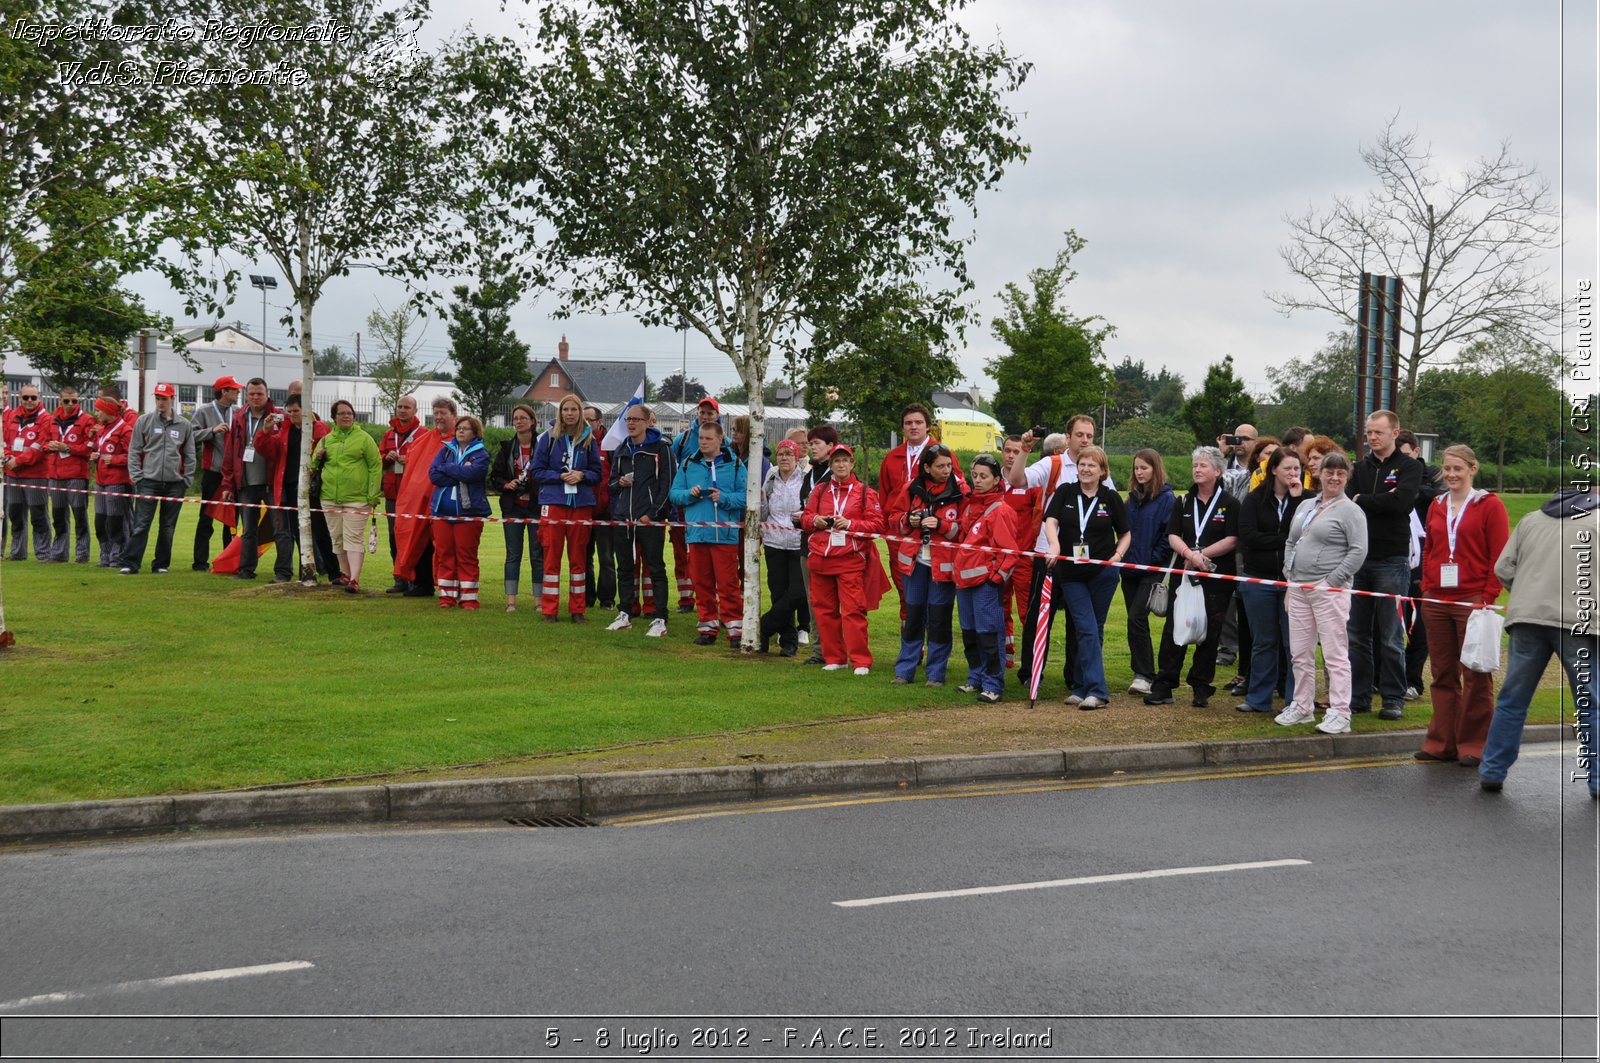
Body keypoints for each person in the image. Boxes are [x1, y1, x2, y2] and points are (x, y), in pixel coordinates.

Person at [1478, 488, 1599, 797]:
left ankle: (1492, 769)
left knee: (1512, 699)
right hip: (1578, 623)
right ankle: (1598, 779)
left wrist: (1525, 592)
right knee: (1590, 704)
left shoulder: (1532, 520)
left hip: (1528, 617)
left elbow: (1503, 568)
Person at [1414, 445, 1509, 765]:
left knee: (1476, 674)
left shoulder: (1489, 505)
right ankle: (1442, 742)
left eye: (1458, 468)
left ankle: (1474, 744)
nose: (1451, 474)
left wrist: (1487, 597)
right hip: (1437, 600)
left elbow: (1500, 556)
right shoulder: (1437, 504)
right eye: (1447, 469)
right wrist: (1427, 587)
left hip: (1472, 601)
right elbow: (1430, 548)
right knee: (1442, 674)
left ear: (1472, 469)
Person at [1276, 451, 1368, 733]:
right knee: (1300, 652)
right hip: (1299, 587)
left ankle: (1341, 711)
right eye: (1330, 472)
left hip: (1329, 590)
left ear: (1347, 476)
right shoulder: (1305, 505)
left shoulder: (1351, 510)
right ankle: (1302, 705)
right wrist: (1289, 572)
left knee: (1335, 654)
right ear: (1319, 474)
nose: (1335, 477)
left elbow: (1358, 550)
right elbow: (1291, 541)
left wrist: (1333, 581)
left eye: (1341, 473)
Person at [1008, 422, 1103, 692]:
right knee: (1040, 615)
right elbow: (1017, 480)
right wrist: (1025, 448)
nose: (1085, 440)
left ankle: (1074, 675)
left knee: (1078, 618)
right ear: (1068, 437)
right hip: (1046, 552)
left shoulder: (1098, 466)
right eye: (1080, 435)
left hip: (1081, 557)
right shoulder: (1053, 464)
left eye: (1090, 436)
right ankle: (1030, 671)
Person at [1144, 446, 1240, 708]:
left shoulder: (1230, 504)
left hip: (1216, 576)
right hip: (1185, 575)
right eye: (1195, 465)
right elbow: (1172, 534)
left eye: (1203, 466)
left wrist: (1200, 556)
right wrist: (1188, 553)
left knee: (1211, 631)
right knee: (1175, 627)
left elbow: (1232, 539)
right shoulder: (1183, 501)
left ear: (1218, 471)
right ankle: (1164, 684)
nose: (1197, 469)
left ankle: (1201, 686)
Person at [1347, 410, 1423, 719]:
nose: (1371, 438)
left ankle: (1393, 697)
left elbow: (1401, 502)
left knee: (1391, 635)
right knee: (1357, 634)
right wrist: (1376, 498)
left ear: (1395, 433)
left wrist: (1363, 500)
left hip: (1391, 561)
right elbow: (1346, 499)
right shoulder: (1359, 468)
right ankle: (1360, 696)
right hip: (1358, 559)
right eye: (1368, 433)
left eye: (1377, 432)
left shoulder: (1409, 467)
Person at [1042, 444, 1130, 709]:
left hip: (1103, 573)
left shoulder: (1110, 497)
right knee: (1086, 627)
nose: (1085, 469)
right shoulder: (1065, 492)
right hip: (1071, 573)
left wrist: (1117, 556)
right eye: (1082, 464)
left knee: (1093, 630)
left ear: (1102, 470)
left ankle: (1082, 687)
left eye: (1092, 465)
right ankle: (1097, 691)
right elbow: (1050, 521)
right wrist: (1054, 546)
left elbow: (1125, 533)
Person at [801, 444, 885, 674]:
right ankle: (835, 658)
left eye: (844, 460)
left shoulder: (866, 492)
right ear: (831, 464)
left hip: (849, 559)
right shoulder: (819, 491)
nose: (840, 464)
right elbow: (805, 518)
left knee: (853, 611)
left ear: (852, 463)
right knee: (824, 611)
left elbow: (878, 525)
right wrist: (815, 520)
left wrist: (850, 524)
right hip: (820, 558)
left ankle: (861, 661)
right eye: (836, 460)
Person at [1236, 448, 1307, 713]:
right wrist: (1286, 541)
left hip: (1294, 582)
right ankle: (1258, 699)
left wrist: (1298, 501)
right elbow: (1249, 538)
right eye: (1288, 468)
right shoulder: (1254, 500)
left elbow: (1305, 535)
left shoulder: (1306, 500)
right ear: (1274, 469)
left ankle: (1295, 700)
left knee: (1294, 644)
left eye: (1297, 469)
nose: (1293, 473)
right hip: (1259, 580)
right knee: (1263, 641)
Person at [879, 403, 965, 615]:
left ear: (928, 426)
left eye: (918, 422)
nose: (913, 427)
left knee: (934, 587)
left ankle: (929, 632)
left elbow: (958, 490)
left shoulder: (943, 453)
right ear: (902, 428)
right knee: (903, 586)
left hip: (934, 532)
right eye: (908, 423)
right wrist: (888, 530)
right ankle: (909, 634)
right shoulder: (892, 457)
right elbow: (884, 496)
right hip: (901, 531)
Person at [891, 442, 966, 686]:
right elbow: (893, 520)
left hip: (943, 568)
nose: (947, 470)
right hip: (915, 564)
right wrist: (908, 520)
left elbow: (966, 530)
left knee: (939, 619)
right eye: (941, 466)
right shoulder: (911, 489)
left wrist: (942, 526)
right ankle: (905, 671)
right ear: (927, 467)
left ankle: (936, 674)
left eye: (949, 466)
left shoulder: (961, 491)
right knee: (913, 617)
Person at [670, 420, 747, 646]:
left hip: (724, 536)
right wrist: (689, 494)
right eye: (701, 438)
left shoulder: (735, 465)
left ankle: (735, 631)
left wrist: (723, 498)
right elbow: (674, 494)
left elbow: (746, 497)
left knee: (728, 585)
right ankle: (707, 629)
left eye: (708, 439)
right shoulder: (687, 464)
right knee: (701, 584)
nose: (703, 442)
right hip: (696, 534)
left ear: (720, 440)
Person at [953, 454, 1021, 703]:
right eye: (975, 476)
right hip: (964, 582)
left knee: (989, 634)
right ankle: (975, 678)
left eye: (984, 476)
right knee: (970, 634)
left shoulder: (1000, 510)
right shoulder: (971, 505)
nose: (978, 481)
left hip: (984, 585)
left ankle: (993, 684)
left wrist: (995, 579)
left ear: (996, 479)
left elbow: (1010, 553)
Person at [533, 394, 603, 622]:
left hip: (581, 504)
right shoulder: (548, 438)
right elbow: (536, 471)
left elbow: (597, 474)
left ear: (580, 413)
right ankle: (549, 610)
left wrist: (582, 475)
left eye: (574, 409)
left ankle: (577, 610)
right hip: (554, 503)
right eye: (566, 410)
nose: (570, 413)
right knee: (551, 557)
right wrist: (560, 476)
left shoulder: (589, 439)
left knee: (579, 559)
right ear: (560, 413)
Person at [606, 402, 673, 637]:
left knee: (655, 568)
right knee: (624, 567)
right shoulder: (622, 448)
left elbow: (667, 485)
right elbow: (611, 484)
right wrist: (620, 483)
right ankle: (624, 613)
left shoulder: (661, 448)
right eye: (628, 420)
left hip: (649, 520)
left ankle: (660, 617)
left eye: (636, 419)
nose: (631, 423)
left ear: (648, 422)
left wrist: (652, 514)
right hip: (624, 519)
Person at [251, 395, 329, 582]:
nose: (292, 415)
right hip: (290, 487)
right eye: (290, 411)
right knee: (296, 530)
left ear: (306, 410)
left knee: (319, 531)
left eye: (296, 411)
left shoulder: (320, 429)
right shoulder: (285, 430)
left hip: (313, 489)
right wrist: (265, 431)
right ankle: (305, 570)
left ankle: (325, 568)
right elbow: (267, 450)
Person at [120, 383, 195, 575]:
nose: (161, 402)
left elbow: (189, 454)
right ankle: (131, 563)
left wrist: (186, 479)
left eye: (165, 398)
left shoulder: (184, 424)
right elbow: (134, 450)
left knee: (168, 527)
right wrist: (137, 477)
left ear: (172, 399)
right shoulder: (143, 422)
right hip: (148, 482)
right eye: (158, 398)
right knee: (141, 524)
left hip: (175, 484)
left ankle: (161, 564)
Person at [219, 379, 285, 582]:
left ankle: (283, 572)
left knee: (280, 529)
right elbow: (230, 452)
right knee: (248, 530)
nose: (256, 397)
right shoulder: (239, 416)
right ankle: (246, 570)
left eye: (259, 393)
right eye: (252, 393)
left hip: (272, 482)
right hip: (246, 482)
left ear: (267, 394)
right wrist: (228, 484)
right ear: (246, 395)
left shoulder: (278, 417)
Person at [314, 399, 383, 593]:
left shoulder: (364, 438)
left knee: (353, 537)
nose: (346, 416)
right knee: (337, 538)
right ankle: (346, 574)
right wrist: (317, 456)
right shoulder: (326, 440)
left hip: (357, 499)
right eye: (342, 413)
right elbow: (312, 466)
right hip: (329, 497)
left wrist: (372, 494)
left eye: (349, 413)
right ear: (334, 417)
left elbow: (375, 466)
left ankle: (354, 578)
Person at [1122, 448, 1176, 695]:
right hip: (1129, 569)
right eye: (1136, 468)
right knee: (1135, 622)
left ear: (1155, 468)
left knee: (1136, 618)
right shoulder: (1131, 498)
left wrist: (1153, 560)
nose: (1139, 472)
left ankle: (1144, 674)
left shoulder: (1167, 498)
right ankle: (1142, 671)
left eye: (1144, 468)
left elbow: (1168, 534)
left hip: (1151, 569)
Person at [390, 398, 457, 598]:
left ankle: (452, 584)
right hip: (420, 501)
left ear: (453, 415)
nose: (438, 417)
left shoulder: (458, 440)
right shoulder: (424, 441)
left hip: (446, 500)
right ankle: (422, 582)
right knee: (420, 540)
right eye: (435, 413)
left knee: (448, 544)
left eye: (442, 413)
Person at [668, 397, 725, 613]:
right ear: (697, 414)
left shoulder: (724, 443)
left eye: (710, 413)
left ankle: (713, 601)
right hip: (685, 506)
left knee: (712, 556)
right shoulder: (682, 440)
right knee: (682, 554)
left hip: (712, 507)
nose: (705, 416)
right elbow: (672, 472)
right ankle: (685, 600)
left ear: (717, 416)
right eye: (702, 412)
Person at [428, 414, 491, 609]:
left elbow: (474, 474)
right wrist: (457, 470)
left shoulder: (481, 453)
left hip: (469, 514)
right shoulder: (445, 450)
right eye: (459, 428)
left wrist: (448, 470)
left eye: (466, 428)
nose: (461, 431)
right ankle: (446, 598)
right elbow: (434, 475)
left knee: (466, 556)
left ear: (475, 432)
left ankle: (469, 598)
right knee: (444, 554)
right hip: (442, 513)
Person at [1398, 430, 1442, 701]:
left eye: (1404, 455)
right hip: (1393, 557)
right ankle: (1386, 677)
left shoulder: (1432, 477)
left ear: (1416, 451)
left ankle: (1412, 679)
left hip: (1424, 561)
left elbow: (1440, 494)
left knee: (1421, 626)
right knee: (1390, 623)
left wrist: (1409, 492)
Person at [491, 404, 544, 613]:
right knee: (513, 554)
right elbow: (495, 476)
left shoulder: (544, 446)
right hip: (512, 507)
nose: (519, 421)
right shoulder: (506, 448)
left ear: (532, 422)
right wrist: (507, 484)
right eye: (516, 418)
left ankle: (538, 601)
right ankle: (511, 601)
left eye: (523, 418)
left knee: (537, 554)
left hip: (535, 507)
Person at [758, 439, 808, 655]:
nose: (784, 458)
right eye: (781, 454)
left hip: (798, 543)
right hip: (774, 543)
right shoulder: (770, 478)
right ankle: (788, 642)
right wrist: (759, 503)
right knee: (778, 592)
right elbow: (763, 511)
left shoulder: (806, 480)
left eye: (789, 454)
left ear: (797, 457)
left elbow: (812, 507)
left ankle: (765, 626)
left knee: (797, 593)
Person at [998, 435, 1043, 670]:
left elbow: (1037, 520)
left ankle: (1032, 660)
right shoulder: (993, 481)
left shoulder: (1031, 484)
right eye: (1007, 451)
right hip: (997, 557)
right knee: (1000, 607)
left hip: (1024, 557)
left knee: (1027, 610)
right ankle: (1006, 654)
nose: (1011, 456)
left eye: (1017, 452)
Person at [795, 424, 839, 663]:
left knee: (833, 601)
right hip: (808, 544)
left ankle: (836, 649)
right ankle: (819, 651)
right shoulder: (810, 474)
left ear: (831, 447)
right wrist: (800, 516)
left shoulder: (836, 474)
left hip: (833, 546)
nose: (811, 447)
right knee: (814, 600)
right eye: (810, 444)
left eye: (816, 443)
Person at [189, 375, 241, 570]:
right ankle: (199, 561)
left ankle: (229, 561)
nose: (238, 392)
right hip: (212, 472)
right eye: (234, 389)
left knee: (232, 520)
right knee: (206, 518)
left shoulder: (238, 412)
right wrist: (212, 431)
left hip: (233, 474)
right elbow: (190, 435)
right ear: (224, 391)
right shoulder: (204, 411)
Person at [2, 384, 57, 560]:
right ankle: (18, 553)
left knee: (38, 515)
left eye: (33, 397)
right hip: (13, 475)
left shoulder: (46, 419)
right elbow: (6, 442)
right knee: (15, 515)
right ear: (20, 398)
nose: (30, 401)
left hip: (35, 475)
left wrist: (17, 461)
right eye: (26, 397)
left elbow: (39, 447)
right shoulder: (12, 416)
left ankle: (43, 553)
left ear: (39, 398)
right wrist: (9, 458)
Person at [46, 384, 95, 563]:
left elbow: (90, 447)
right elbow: (44, 441)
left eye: (74, 400)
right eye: (67, 401)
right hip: (55, 474)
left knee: (79, 516)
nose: (71, 404)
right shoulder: (53, 419)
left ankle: (82, 555)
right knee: (58, 516)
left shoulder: (87, 420)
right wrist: (49, 446)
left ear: (78, 400)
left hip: (76, 475)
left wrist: (68, 447)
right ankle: (59, 554)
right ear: (60, 400)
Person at [380, 396, 425, 577]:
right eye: (399, 407)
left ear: (415, 410)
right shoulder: (389, 434)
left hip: (413, 493)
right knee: (393, 536)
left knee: (413, 536)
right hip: (392, 492)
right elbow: (378, 460)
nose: (402, 410)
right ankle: (399, 577)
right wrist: (386, 458)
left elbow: (427, 462)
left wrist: (410, 461)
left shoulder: (423, 434)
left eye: (407, 407)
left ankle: (415, 578)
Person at [88, 396, 134, 568]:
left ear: (109, 411)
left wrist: (114, 460)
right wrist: (96, 457)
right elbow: (102, 451)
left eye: (99, 410)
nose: (96, 413)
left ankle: (119, 556)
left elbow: (135, 456)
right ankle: (105, 555)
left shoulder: (126, 430)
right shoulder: (102, 429)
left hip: (117, 482)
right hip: (100, 481)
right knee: (100, 522)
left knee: (116, 522)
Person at [583, 404, 617, 612]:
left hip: (606, 510)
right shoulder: (577, 442)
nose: (586, 423)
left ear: (600, 422)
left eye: (590, 420)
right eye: (583, 420)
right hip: (583, 509)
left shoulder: (611, 444)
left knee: (606, 557)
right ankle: (587, 597)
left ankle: (607, 599)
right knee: (583, 557)